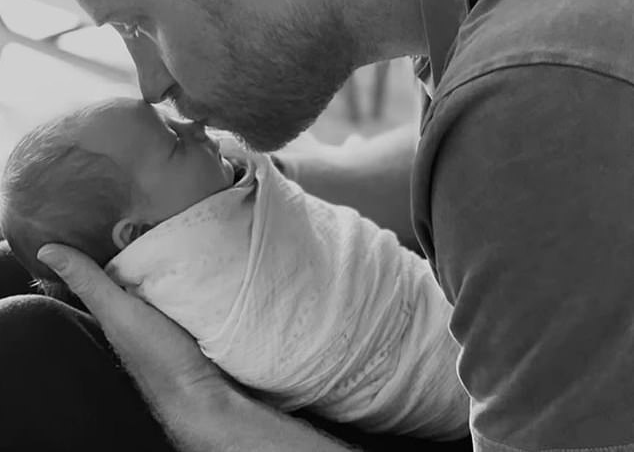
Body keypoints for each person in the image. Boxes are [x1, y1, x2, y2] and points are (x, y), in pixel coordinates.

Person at [0, 0, 633, 450]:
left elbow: (516, 159)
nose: (150, 84)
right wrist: (231, 207)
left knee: (28, 350)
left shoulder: (527, 106)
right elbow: (477, 176)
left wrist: (208, 411)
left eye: (139, 25)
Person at [1, 98, 468, 440]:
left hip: (449, 368)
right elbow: (264, 179)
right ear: (136, 234)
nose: (196, 125)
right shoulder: (199, 266)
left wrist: (199, 396)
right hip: (426, 377)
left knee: (22, 324)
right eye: (172, 141)